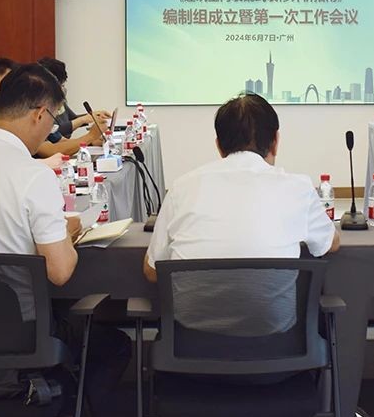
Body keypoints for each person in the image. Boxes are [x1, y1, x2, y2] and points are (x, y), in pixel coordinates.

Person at [0, 63, 130, 417]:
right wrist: (66, 234)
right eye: (54, 118)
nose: (51, 128)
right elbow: (60, 272)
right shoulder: (32, 175)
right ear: (39, 114)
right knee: (114, 345)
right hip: (20, 336)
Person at [144, 93, 339, 334]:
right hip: (276, 346)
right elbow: (330, 243)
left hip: (189, 345)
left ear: (219, 145)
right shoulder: (299, 188)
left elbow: (152, 271)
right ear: (276, 141)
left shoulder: (181, 188)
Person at [34, 56, 109, 157]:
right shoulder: (34, 111)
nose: (63, 90)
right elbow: (50, 150)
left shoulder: (48, 112)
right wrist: (90, 136)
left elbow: (61, 141)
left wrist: (91, 141)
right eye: (61, 85)